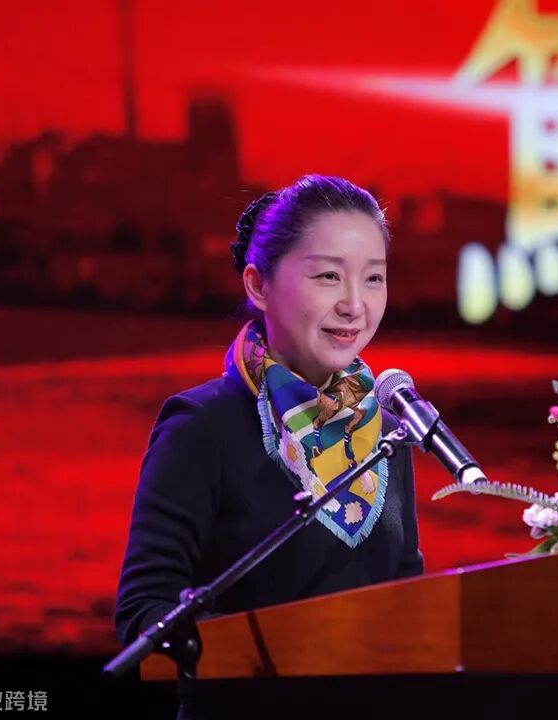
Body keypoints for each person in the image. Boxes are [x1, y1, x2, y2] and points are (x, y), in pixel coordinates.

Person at [113, 175, 424, 717]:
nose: (355, 305)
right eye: (329, 276)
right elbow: (145, 612)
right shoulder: (201, 427)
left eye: (374, 278)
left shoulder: (388, 429)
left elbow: (410, 597)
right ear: (259, 285)